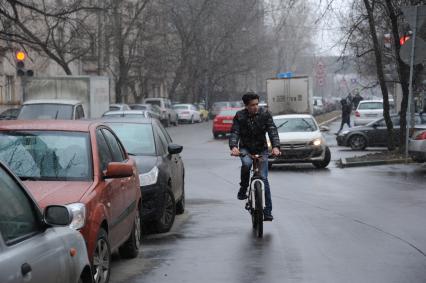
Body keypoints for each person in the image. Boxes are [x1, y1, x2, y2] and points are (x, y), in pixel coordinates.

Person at [229, 92, 281, 221]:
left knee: (263, 178)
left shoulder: (265, 114)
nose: (255, 107)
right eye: (252, 105)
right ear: (246, 105)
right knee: (246, 164)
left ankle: (267, 211)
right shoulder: (239, 116)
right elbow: (235, 132)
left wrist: (275, 147)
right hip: (245, 149)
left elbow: (272, 130)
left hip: (262, 149)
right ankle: (244, 187)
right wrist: (234, 147)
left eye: (257, 104)